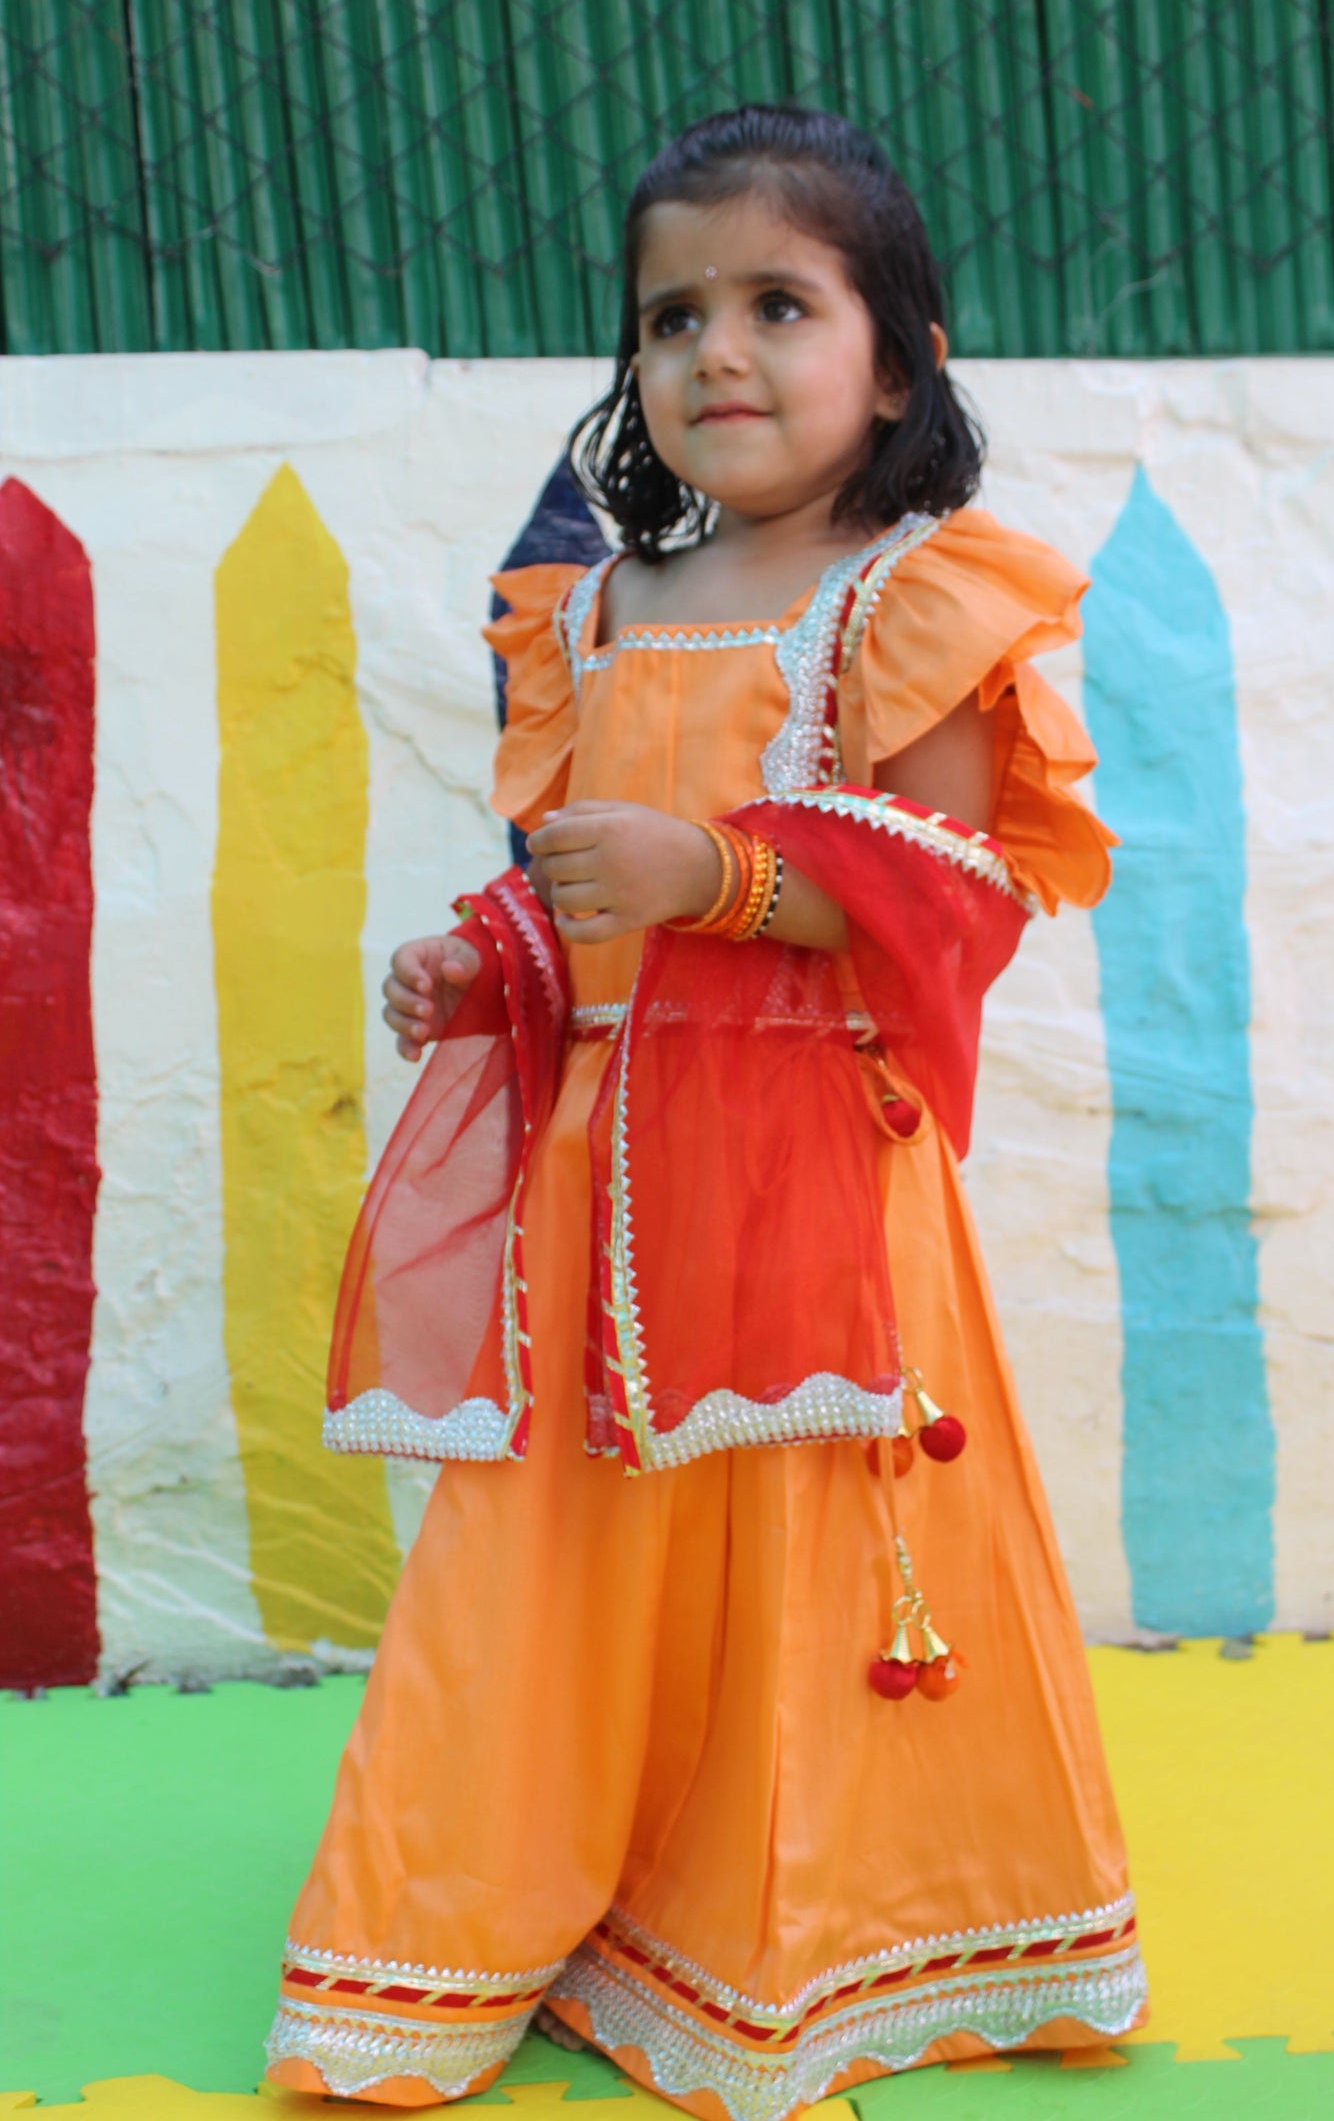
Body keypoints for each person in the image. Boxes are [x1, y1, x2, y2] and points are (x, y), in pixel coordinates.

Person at [264, 105, 1146, 2120]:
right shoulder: (603, 607)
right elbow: (581, 869)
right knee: (552, 1552)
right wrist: (488, 962)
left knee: (789, 1554)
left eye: (778, 303)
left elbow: (934, 889)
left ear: (899, 355)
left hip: (811, 1188)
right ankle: (497, 1917)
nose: (715, 356)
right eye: (672, 317)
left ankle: (804, 1941)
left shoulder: (917, 594)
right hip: (602, 1180)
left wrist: (722, 878)